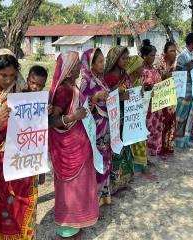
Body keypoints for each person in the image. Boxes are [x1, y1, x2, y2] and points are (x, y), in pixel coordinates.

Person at [0, 49, 38, 240]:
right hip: (0, 167)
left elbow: (33, 128)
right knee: (4, 209)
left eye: (12, 75)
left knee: (24, 207)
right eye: (4, 75)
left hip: (24, 163)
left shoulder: (19, 94)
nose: (8, 80)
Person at [49, 51, 99, 239]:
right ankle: (67, 228)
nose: (80, 66)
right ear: (69, 70)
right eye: (77, 64)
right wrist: (73, 117)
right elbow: (51, 121)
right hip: (68, 147)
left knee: (78, 186)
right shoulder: (64, 90)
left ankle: (75, 223)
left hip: (79, 144)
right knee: (69, 187)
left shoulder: (72, 86)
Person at [78, 48, 112, 206]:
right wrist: (95, 97)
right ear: (90, 64)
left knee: (105, 155)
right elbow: (81, 105)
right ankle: (95, 194)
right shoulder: (85, 81)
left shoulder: (101, 79)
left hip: (106, 124)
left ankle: (105, 192)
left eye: (103, 61)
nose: (103, 64)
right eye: (99, 61)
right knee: (97, 157)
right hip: (95, 126)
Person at [104, 46, 134, 194]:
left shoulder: (124, 74)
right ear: (115, 59)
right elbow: (106, 99)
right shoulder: (109, 77)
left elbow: (129, 90)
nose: (126, 61)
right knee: (116, 147)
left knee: (125, 145)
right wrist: (120, 97)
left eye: (127, 58)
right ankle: (114, 182)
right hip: (114, 117)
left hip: (126, 114)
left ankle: (124, 179)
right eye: (123, 58)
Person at [126, 55, 155, 179]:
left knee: (140, 140)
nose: (142, 70)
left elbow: (140, 97)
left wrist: (147, 92)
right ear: (134, 68)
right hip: (128, 119)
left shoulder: (138, 81)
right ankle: (135, 169)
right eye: (140, 67)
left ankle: (142, 166)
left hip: (137, 117)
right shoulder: (125, 83)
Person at [25, 65, 50, 185]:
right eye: (32, 82)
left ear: (44, 86)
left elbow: (43, 138)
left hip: (35, 154)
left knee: (32, 190)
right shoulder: (18, 98)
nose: (35, 87)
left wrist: (42, 171)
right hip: (20, 152)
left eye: (39, 85)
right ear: (27, 80)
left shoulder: (44, 102)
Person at [175, 33, 193, 148]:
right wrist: (187, 68)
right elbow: (177, 73)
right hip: (184, 92)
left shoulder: (191, 55)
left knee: (188, 117)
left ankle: (185, 140)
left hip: (191, 92)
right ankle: (177, 141)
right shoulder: (183, 56)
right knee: (180, 117)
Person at [141, 42, 164, 158]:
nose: (153, 58)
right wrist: (147, 88)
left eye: (154, 55)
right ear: (144, 56)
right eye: (151, 55)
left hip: (157, 106)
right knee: (147, 129)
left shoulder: (154, 69)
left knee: (155, 129)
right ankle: (145, 156)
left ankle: (153, 152)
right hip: (147, 108)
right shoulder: (141, 71)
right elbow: (139, 88)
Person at [157, 41, 177, 158]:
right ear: (165, 52)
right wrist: (164, 76)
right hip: (162, 99)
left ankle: (169, 146)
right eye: (171, 51)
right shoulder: (159, 64)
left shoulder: (175, 65)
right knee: (163, 123)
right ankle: (161, 149)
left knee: (172, 122)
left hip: (172, 98)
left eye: (175, 51)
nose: (174, 53)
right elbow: (156, 81)